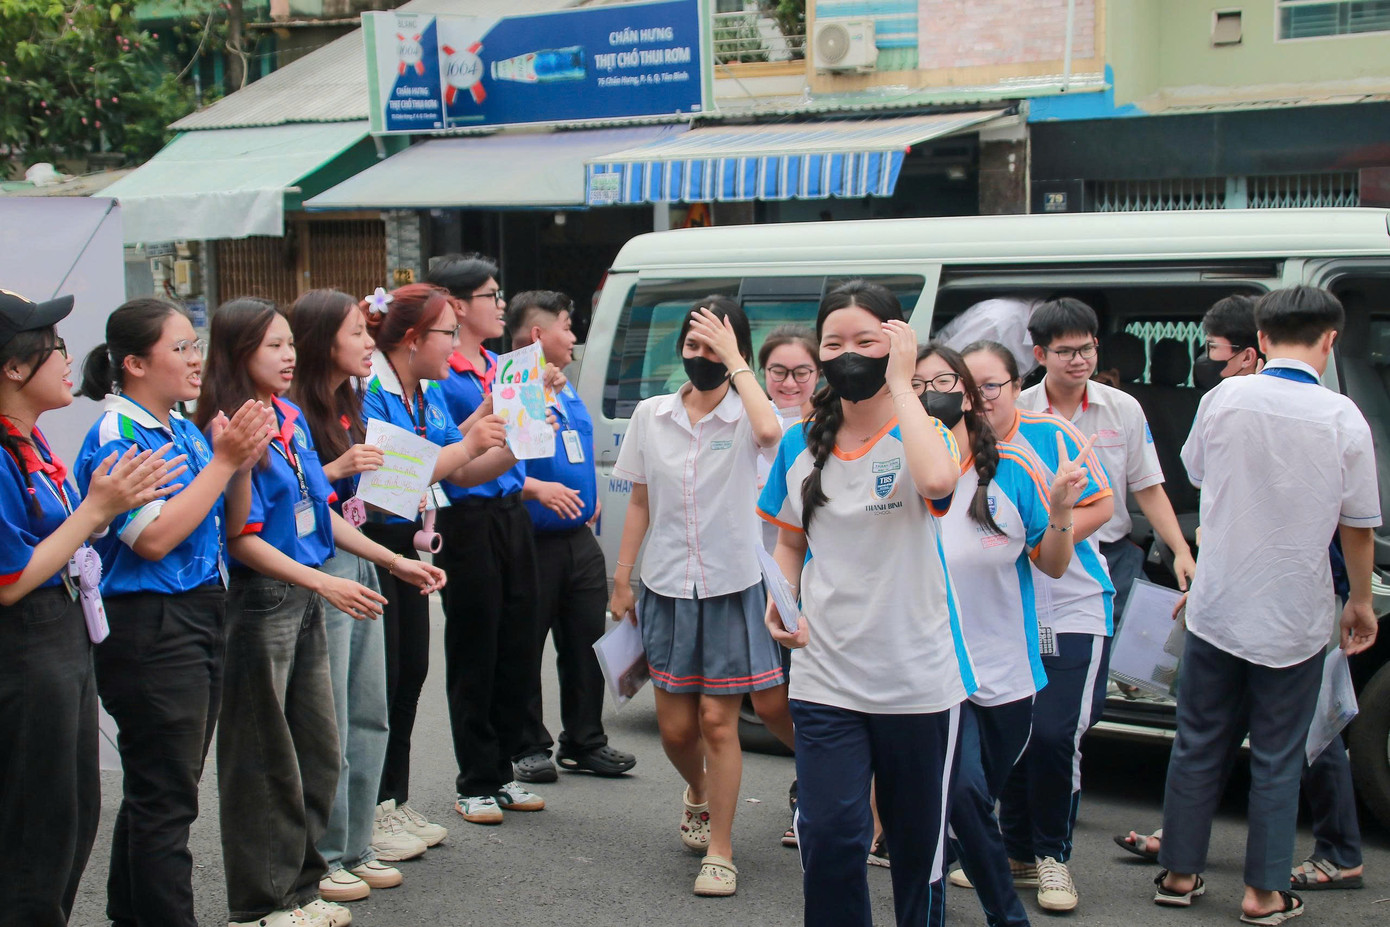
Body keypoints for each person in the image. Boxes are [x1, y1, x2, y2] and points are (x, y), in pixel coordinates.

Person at [198, 297, 444, 927]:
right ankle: (263, 902)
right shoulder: (233, 426)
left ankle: (305, 882)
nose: (287, 357)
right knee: (263, 758)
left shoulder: (286, 414)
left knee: (318, 744)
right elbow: (241, 536)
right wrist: (322, 584)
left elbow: (321, 508)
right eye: (272, 347)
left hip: (306, 588)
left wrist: (393, 563)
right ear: (238, 354)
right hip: (267, 598)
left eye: (288, 344)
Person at [1118, 293, 1368, 893]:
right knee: (1280, 757)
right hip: (1295, 615)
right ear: (1330, 340)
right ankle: (1264, 892)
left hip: (1218, 606)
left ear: (1261, 334)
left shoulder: (1221, 398)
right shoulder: (1343, 417)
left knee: (1197, 741)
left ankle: (1179, 873)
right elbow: (1357, 525)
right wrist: (1359, 601)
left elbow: (1200, 475)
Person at [757, 280, 968, 927]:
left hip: (916, 682)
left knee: (914, 850)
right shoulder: (801, 441)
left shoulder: (926, 429)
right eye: (834, 341)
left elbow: (938, 482)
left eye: (866, 340)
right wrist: (783, 593)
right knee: (832, 837)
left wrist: (905, 382)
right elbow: (789, 540)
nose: (849, 353)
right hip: (826, 677)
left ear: (898, 342)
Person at [75, 298, 273, 927]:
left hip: (197, 611)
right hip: (150, 623)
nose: (196, 360)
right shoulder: (119, 431)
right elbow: (154, 538)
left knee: (160, 790)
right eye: (181, 347)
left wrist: (237, 460)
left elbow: (232, 521)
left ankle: (130, 915)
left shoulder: (181, 426)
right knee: (167, 798)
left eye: (196, 345)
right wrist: (222, 461)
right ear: (134, 363)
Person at [0, 289, 184, 927]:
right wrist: (97, 511)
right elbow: (11, 579)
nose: (66, 359)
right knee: (34, 826)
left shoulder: (32, 441)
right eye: (52, 348)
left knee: (72, 812)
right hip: (25, 650)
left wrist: (95, 514)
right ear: (13, 368)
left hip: (63, 639)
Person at [289, 288, 471, 901]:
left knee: (373, 706)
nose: (370, 342)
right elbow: (289, 509)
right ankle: (327, 853)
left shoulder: (352, 402)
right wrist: (334, 474)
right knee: (332, 717)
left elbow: (380, 492)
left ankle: (357, 838)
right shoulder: (294, 411)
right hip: (325, 568)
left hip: (366, 556)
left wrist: (398, 559)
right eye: (356, 334)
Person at [608, 294, 789, 897]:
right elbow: (639, 500)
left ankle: (721, 847)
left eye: (714, 346)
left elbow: (770, 433)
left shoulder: (747, 414)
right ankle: (698, 790)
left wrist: (737, 361)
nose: (701, 357)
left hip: (733, 584)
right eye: (693, 346)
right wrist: (622, 578)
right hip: (665, 584)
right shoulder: (651, 415)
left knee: (718, 720)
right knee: (676, 730)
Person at [918, 343, 1091, 927]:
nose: (929, 394)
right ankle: (1002, 913)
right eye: (915, 385)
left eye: (942, 382)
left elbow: (1054, 563)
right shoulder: (905, 476)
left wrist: (1063, 507)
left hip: (1008, 673)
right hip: (935, 674)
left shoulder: (1013, 470)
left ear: (967, 395)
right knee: (960, 795)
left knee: (966, 802)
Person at [962, 340, 1115, 913]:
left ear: (1013, 384)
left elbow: (1101, 503)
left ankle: (1052, 857)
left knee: (1055, 734)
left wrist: (1049, 527)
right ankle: (1014, 853)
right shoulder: (954, 449)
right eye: (967, 388)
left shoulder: (1052, 436)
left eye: (991, 387)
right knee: (1016, 737)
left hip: (1071, 605)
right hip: (1004, 616)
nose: (980, 400)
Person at [356, 282, 510, 834]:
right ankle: (370, 810)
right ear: (413, 337)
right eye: (448, 332)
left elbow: (462, 472)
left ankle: (392, 802)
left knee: (411, 673)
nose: (454, 344)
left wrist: (515, 438)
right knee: (383, 680)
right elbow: (391, 484)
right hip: (373, 546)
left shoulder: (426, 389)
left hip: (410, 545)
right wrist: (472, 443)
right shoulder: (371, 388)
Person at [424, 254, 554, 818]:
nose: (501, 305)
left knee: (519, 642)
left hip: (510, 511)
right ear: (456, 304)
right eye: (490, 296)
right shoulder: (442, 374)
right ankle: (475, 778)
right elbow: (452, 455)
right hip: (467, 516)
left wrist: (537, 406)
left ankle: (504, 766)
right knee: (476, 644)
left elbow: (520, 442)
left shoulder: (505, 365)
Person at [507, 290, 637, 779]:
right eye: (566, 325)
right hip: (531, 537)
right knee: (524, 643)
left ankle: (584, 740)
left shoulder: (562, 384)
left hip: (577, 534)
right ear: (539, 334)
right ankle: (527, 745)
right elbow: (489, 468)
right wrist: (536, 491)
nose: (574, 336)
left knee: (585, 638)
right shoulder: (513, 384)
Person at [1018, 297, 1196, 619]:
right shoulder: (1019, 411)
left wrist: (1181, 551)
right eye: (1066, 352)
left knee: (1124, 658)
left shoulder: (1124, 407)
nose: (1079, 360)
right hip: (1041, 554)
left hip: (1113, 555)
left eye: (1087, 348)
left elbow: (1147, 487)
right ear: (1040, 354)